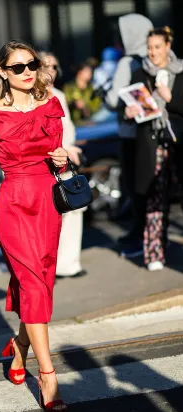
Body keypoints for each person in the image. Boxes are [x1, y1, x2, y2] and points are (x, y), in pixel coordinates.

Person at [0, 40, 68, 412]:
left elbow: (58, 161)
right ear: (2, 72)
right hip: (13, 204)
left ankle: (20, 346)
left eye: (32, 64)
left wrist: (61, 159)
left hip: (48, 203)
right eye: (18, 67)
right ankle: (48, 375)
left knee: (42, 284)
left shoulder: (51, 105)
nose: (27, 71)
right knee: (32, 283)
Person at [125, 26, 183, 271]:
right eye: (149, 48)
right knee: (154, 200)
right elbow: (130, 107)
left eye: (158, 47)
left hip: (179, 144)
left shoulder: (180, 72)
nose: (153, 52)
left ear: (168, 46)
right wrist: (129, 112)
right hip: (152, 144)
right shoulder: (140, 74)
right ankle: (154, 252)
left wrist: (170, 98)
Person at [105, 14, 153, 258]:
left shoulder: (127, 62)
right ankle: (148, 236)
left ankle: (139, 237)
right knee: (150, 189)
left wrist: (106, 94)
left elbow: (114, 99)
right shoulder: (153, 58)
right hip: (152, 133)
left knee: (135, 188)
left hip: (131, 133)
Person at [39, 51, 87, 279]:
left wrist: (70, 148)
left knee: (74, 208)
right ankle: (49, 265)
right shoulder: (32, 98)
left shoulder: (58, 94)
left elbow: (67, 127)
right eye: (45, 66)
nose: (50, 71)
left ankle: (69, 264)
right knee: (50, 216)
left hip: (66, 161)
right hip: (45, 166)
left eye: (54, 67)